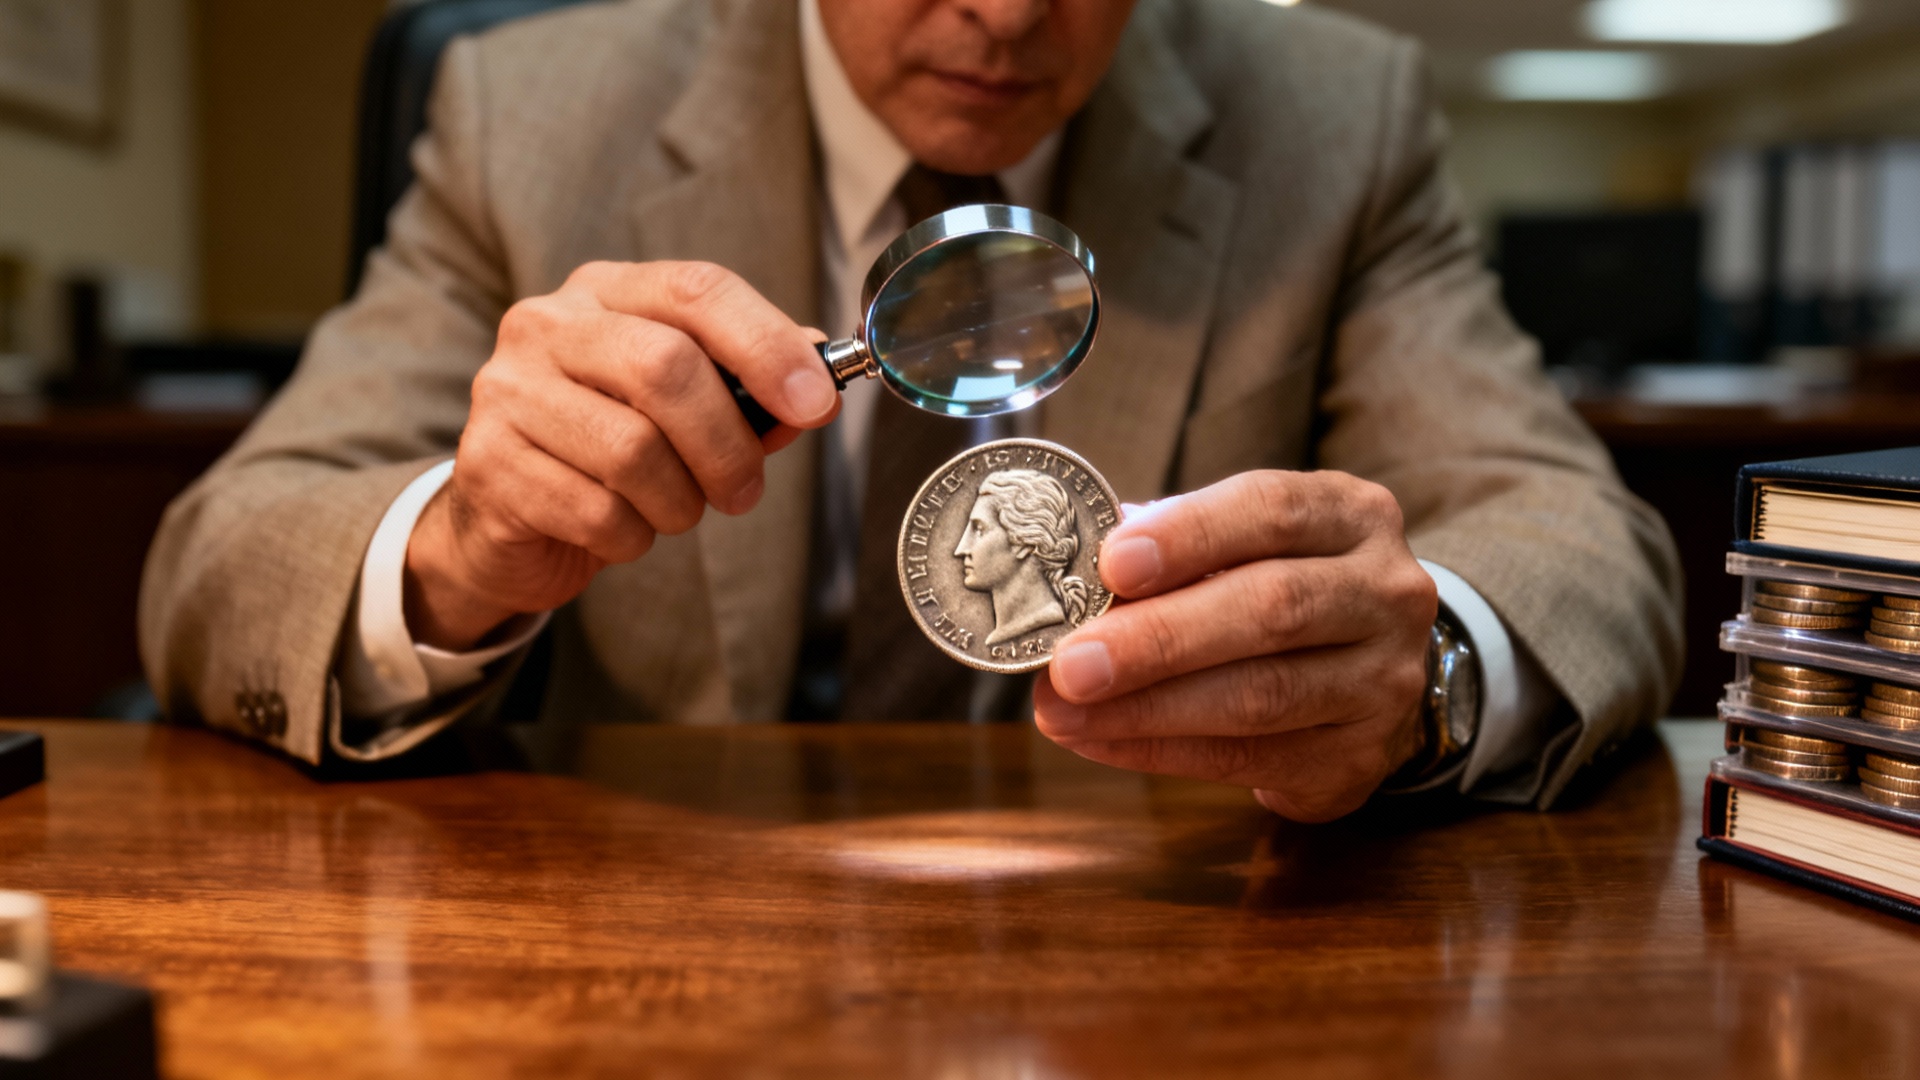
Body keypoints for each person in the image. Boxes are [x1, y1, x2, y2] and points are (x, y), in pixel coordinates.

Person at [139, 0, 1683, 819]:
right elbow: (219, 563)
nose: (1006, 15)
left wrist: (1421, 674)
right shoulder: (518, 114)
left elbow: (1579, 543)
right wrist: (457, 553)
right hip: (662, 933)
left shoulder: (1336, 121)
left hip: (1153, 937)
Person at [955, 469, 1092, 646]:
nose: (961, 549)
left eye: (980, 529)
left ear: (1023, 543)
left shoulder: (1045, 622)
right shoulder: (1001, 634)